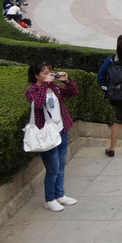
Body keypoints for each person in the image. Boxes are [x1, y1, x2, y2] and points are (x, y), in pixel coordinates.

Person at [25, 62, 78, 211]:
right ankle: (50, 199)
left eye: (50, 72)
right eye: (44, 73)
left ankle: (60, 195)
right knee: (53, 168)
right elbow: (38, 105)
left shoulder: (55, 88)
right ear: (36, 76)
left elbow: (74, 92)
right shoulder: (32, 91)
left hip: (61, 130)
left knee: (61, 165)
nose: (49, 75)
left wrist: (67, 80)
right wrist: (44, 85)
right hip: (47, 134)